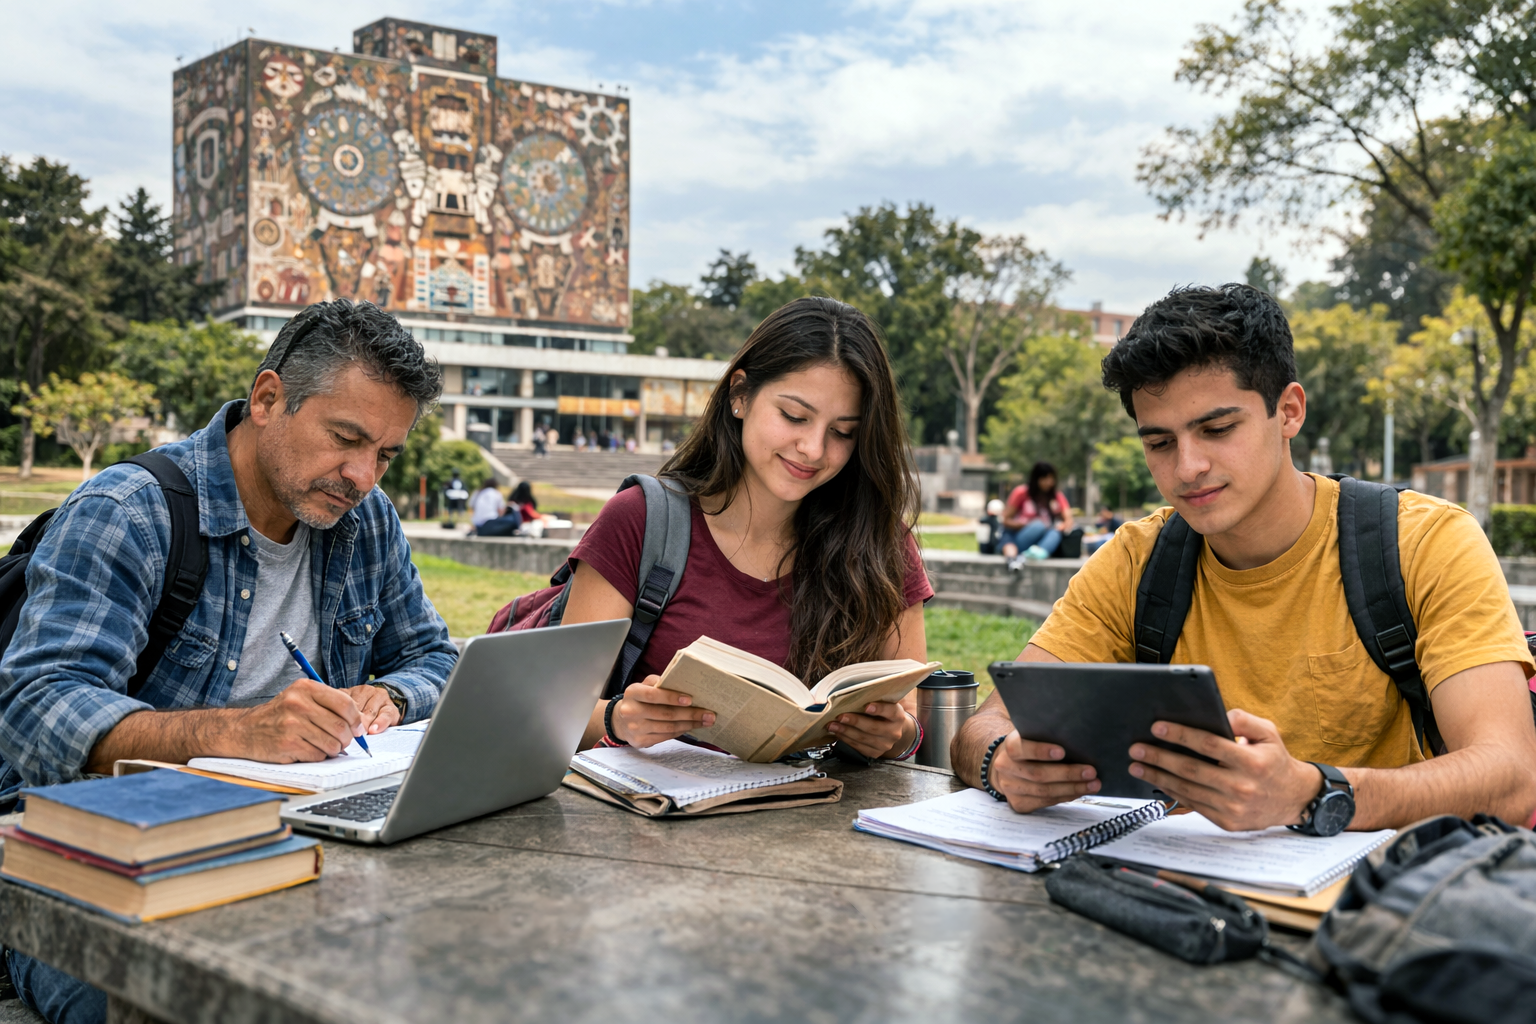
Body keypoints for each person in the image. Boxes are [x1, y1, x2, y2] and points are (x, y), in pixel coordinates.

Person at [0, 299, 458, 1023]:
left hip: (291, 836)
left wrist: (395, 696)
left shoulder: (364, 521)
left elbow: (432, 654)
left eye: (386, 455)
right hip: (95, 854)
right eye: (346, 438)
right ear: (268, 398)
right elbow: (39, 707)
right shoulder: (130, 511)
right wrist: (238, 733)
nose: (363, 476)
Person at [952, 283, 1536, 833]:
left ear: (1289, 411)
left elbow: (1512, 777)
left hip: (1378, 892)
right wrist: (1001, 761)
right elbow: (984, 725)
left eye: (1217, 428)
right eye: (1159, 442)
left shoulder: (1424, 543)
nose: (1187, 468)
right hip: (1172, 888)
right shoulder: (1135, 561)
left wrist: (1311, 794)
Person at [560, 297, 934, 760]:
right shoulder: (638, 519)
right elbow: (556, 710)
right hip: (660, 800)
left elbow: (913, 718)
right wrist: (620, 718)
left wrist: (895, 734)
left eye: (843, 432)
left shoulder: (881, 542)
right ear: (740, 394)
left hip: (820, 803)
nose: (813, 449)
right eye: (794, 416)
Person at [1000, 461, 1074, 565]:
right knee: (1039, 526)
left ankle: (1036, 553)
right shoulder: (1021, 492)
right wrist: (1024, 525)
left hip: (1042, 540)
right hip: (1022, 536)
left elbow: (1068, 519)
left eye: (1051, 478)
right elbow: (1006, 520)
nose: (1049, 482)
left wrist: (1062, 526)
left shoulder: (1056, 496)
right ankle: (1024, 554)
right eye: (1045, 478)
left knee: (1055, 533)